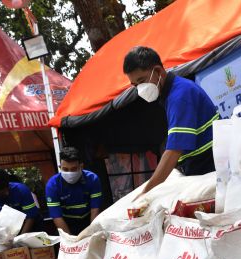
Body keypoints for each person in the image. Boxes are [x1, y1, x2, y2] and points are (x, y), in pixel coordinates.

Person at [123, 46, 219, 195]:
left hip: (209, 167)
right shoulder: (170, 94)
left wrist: (145, 194)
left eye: (142, 81)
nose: (139, 89)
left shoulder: (180, 95)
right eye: (135, 85)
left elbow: (174, 150)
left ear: (158, 71)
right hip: (200, 167)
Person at [45, 147, 102, 235]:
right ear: (60, 167)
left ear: (81, 166)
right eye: (65, 169)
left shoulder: (92, 179)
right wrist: (71, 240)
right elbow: (56, 216)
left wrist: (92, 233)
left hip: (89, 220)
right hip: (65, 223)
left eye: (74, 169)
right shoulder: (52, 185)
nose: (70, 173)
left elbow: (95, 209)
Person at [0, 169, 40, 233]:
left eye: (3, 192)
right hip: (5, 234)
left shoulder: (21, 190)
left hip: (29, 229)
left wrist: (21, 238)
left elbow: (31, 217)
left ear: (8, 186)